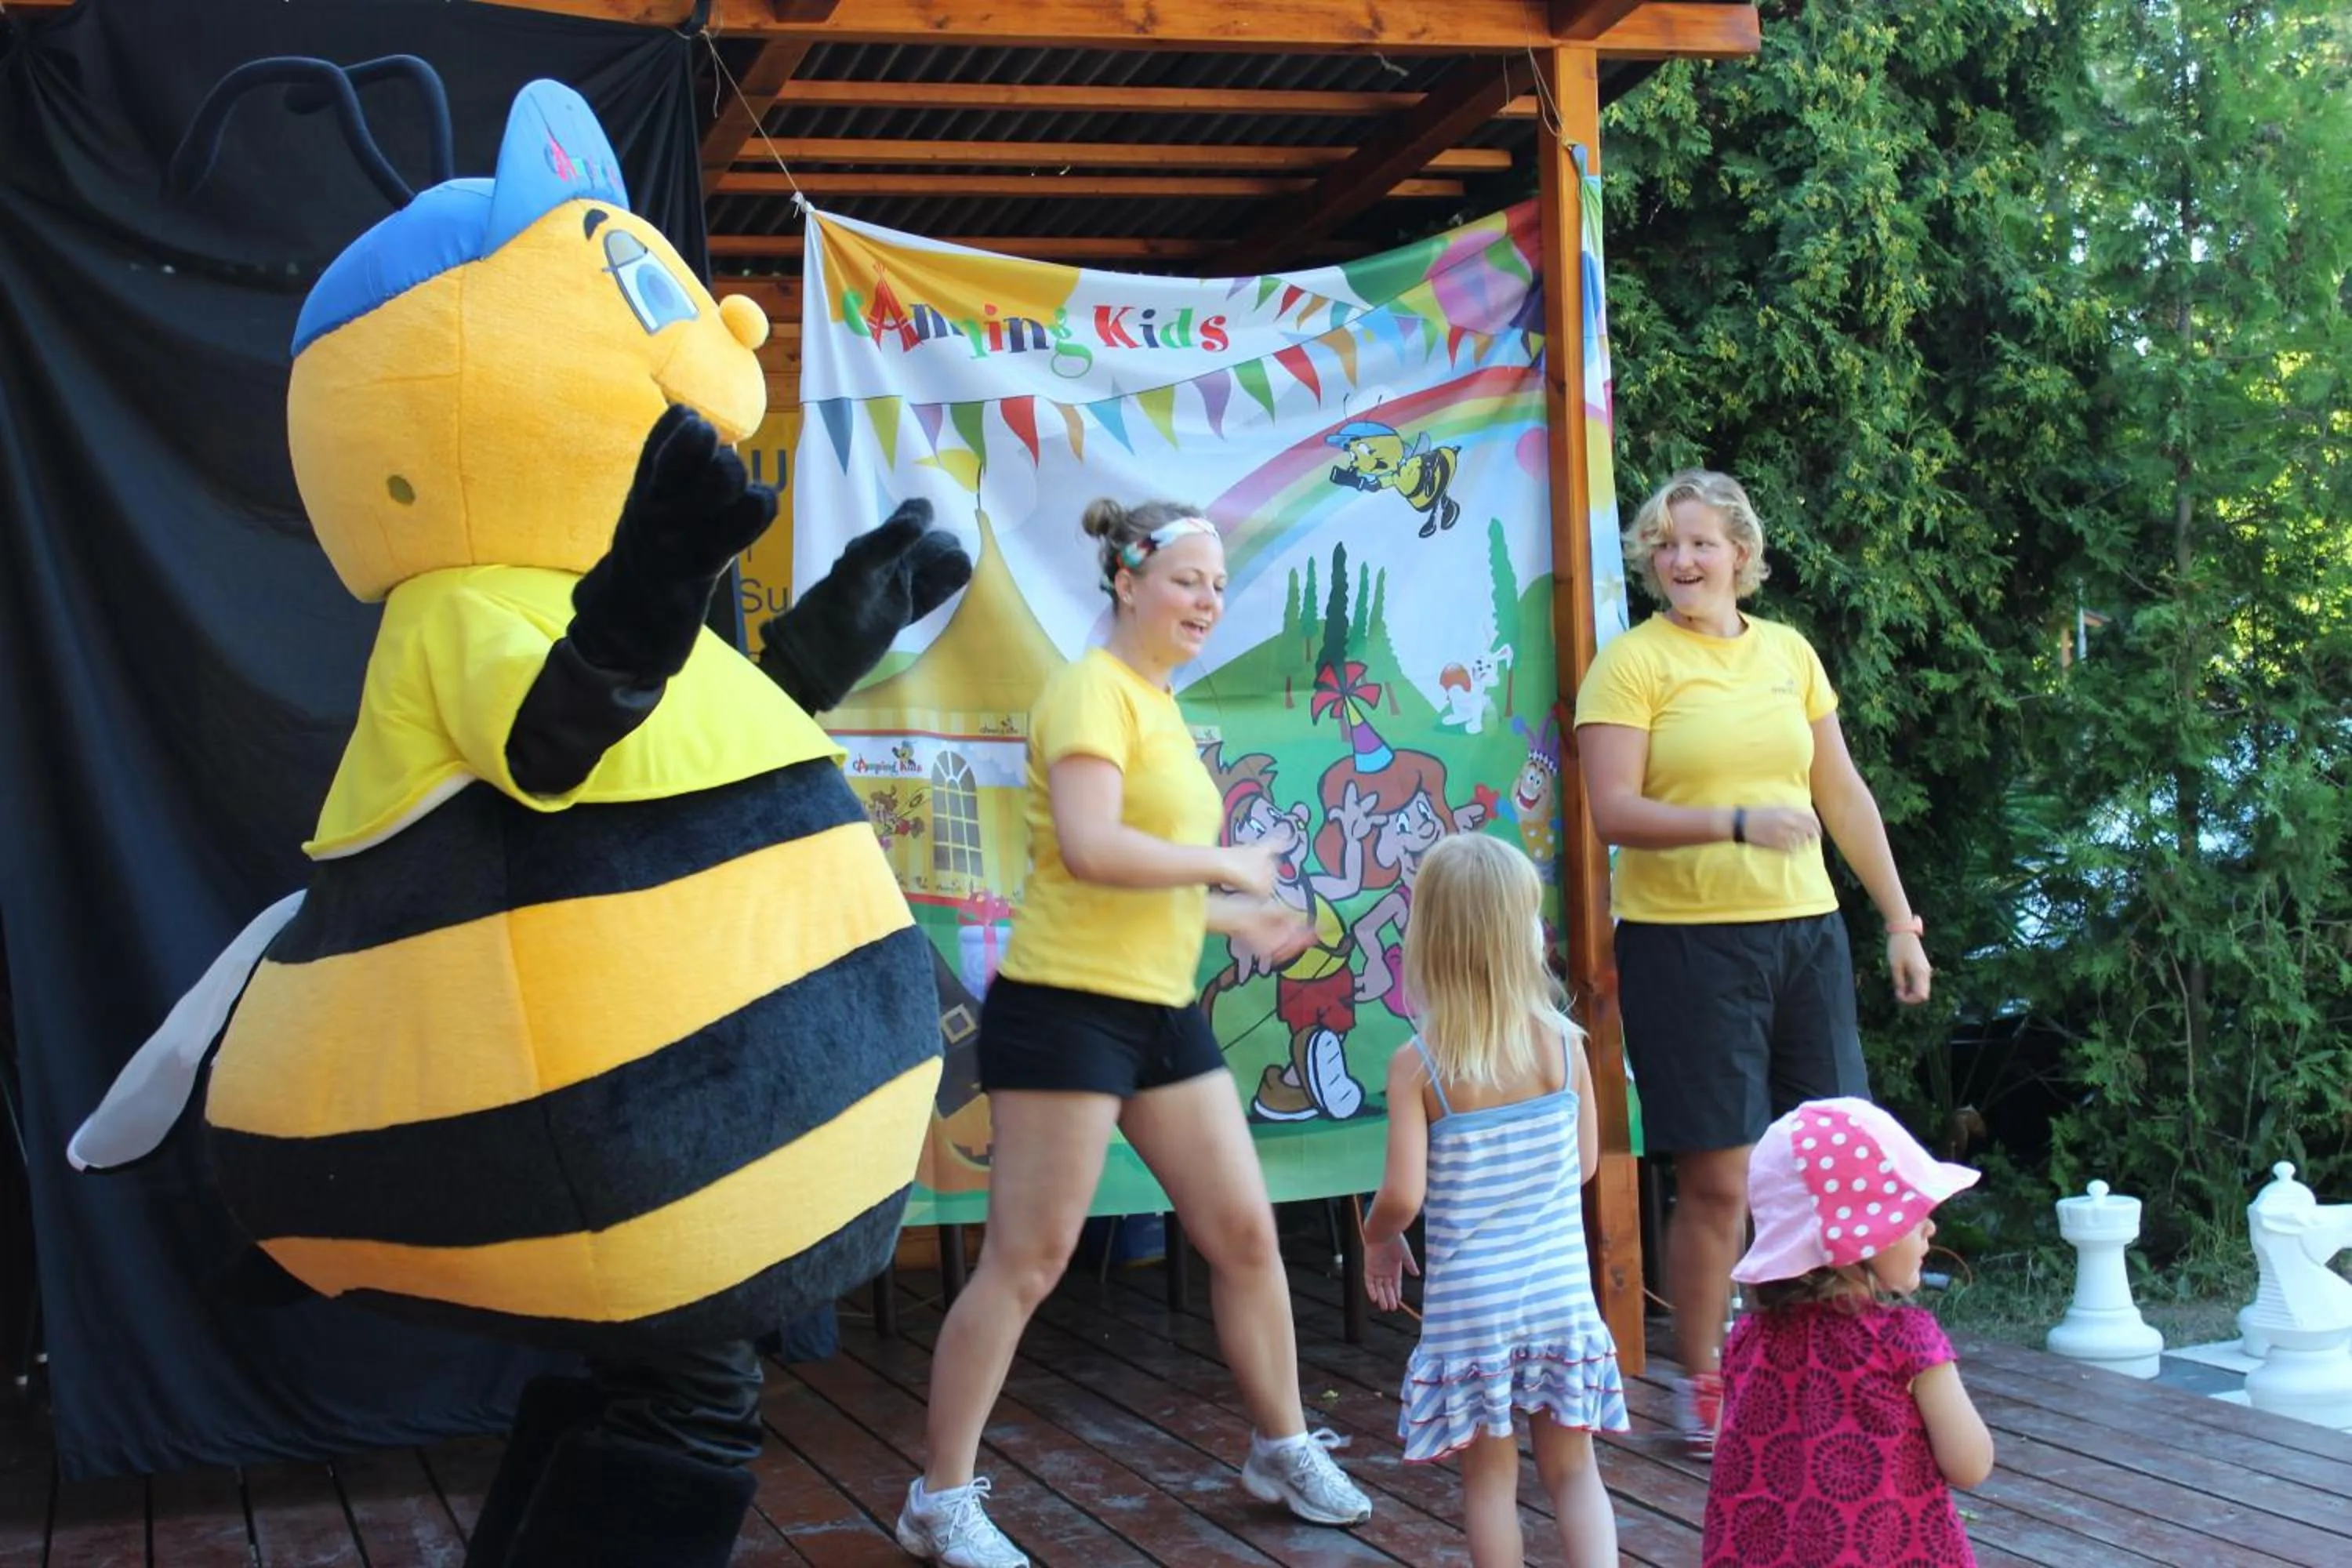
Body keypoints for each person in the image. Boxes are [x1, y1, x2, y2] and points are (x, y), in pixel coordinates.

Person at [895, 499, 1375, 1568]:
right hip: (1065, 1006)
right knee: (1030, 1258)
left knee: (1246, 1235)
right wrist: (1226, 867)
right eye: (1186, 581)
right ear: (1126, 583)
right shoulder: (1087, 692)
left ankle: (1282, 1444)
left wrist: (1231, 915)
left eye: (1216, 585)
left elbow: (1126, 883)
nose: (1207, 600)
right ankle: (939, 1500)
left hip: (1156, 1005)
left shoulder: (1158, 706)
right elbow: (1091, 847)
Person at [1573, 469, 1934, 1455]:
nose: (1680, 560)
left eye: (1699, 542)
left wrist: (1900, 919)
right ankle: (1705, 1381)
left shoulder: (1789, 653)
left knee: (1839, 1163)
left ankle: (1845, 1363)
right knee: (1722, 1178)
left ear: (1740, 553)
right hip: (1685, 948)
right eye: (1664, 544)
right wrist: (1734, 821)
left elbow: (1844, 793)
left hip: (1806, 934)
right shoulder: (1631, 665)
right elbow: (1615, 812)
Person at [1360, 833, 1627, 1568]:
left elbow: (1404, 1196)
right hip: (1559, 1292)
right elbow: (1579, 1167)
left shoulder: (1420, 1065)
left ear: (1430, 941)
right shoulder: (1565, 1044)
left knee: (1489, 1480)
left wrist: (1375, 1236)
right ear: (1524, 935)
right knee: (1575, 1471)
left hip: (1472, 1303)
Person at [1703, 1098, 1994, 1566]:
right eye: (1909, 1212)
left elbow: (1727, 1454)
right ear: (1859, 1238)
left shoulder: (1748, 1342)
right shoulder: (1908, 1341)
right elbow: (1971, 1464)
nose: (1929, 1225)